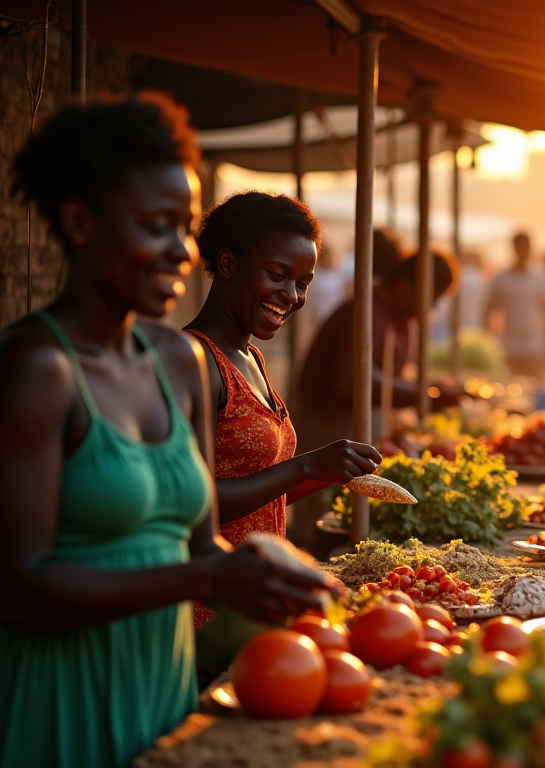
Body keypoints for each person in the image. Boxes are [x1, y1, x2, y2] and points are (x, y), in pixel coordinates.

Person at [0, 94, 331, 768]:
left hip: (166, 686)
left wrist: (277, 574)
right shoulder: (35, 369)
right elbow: (17, 586)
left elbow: (197, 540)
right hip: (65, 699)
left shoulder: (174, 361)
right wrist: (201, 582)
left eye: (185, 228)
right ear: (80, 222)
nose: (182, 252)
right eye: (157, 226)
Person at [183, 191, 382, 630]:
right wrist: (308, 463)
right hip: (212, 614)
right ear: (229, 265)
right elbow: (195, 504)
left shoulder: (251, 357)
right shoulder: (194, 360)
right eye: (278, 275)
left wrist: (330, 471)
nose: (292, 296)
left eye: (304, 283)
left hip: (259, 603)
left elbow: (260, 494)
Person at [290, 248, 461, 548]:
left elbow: (390, 378)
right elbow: (354, 381)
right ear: (406, 286)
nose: (432, 306)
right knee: (320, 527)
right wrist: (425, 396)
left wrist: (428, 390)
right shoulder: (363, 312)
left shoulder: (399, 318)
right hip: (327, 431)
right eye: (431, 296)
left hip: (356, 432)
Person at [486, 231, 545, 376]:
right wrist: (489, 342)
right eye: (519, 247)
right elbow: (489, 310)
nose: (522, 252)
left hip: (535, 347)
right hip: (509, 348)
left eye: (525, 248)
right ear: (513, 249)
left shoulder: (540, 277)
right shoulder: (502, 278)